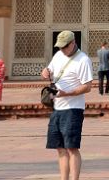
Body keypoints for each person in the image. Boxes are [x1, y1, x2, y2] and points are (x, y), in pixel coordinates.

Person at [41, 30, 93, 180]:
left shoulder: (83, 60)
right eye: (60, 47)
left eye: (65, 47)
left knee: (72, 147)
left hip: (73, 109)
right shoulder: (58, 56)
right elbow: (49, 70)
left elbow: (87, 86)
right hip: (57, 107)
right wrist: (45, 72)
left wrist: (67, 93)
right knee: (60, 148)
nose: (62, 50)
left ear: (73, 43)